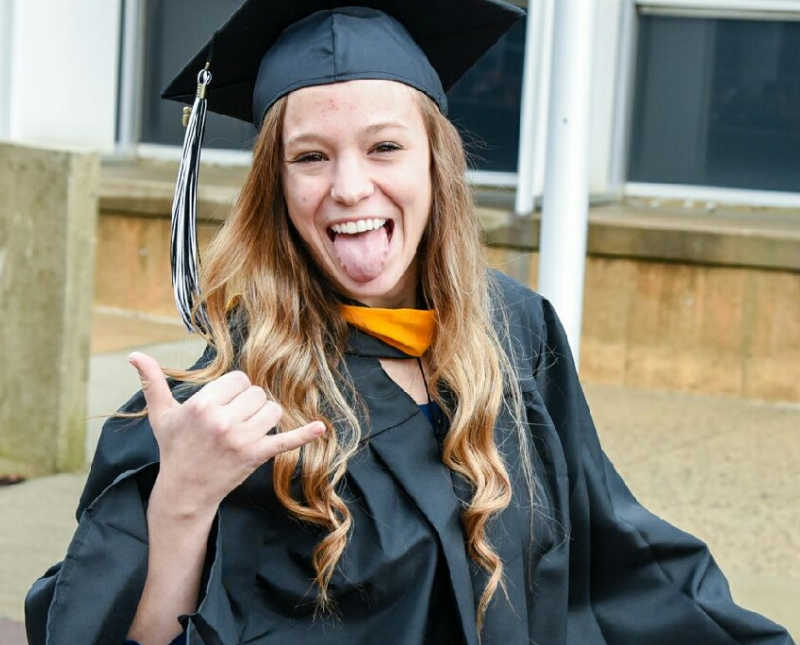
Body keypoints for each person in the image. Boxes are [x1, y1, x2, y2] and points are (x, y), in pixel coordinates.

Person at [25, 2, 795, 644]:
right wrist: (182, 503)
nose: (350, 187)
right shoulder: (223, 402)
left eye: (385, 146)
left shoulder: (514, 329)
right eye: (312, 157)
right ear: (276, 187)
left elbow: (626, 562)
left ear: (437, 162)